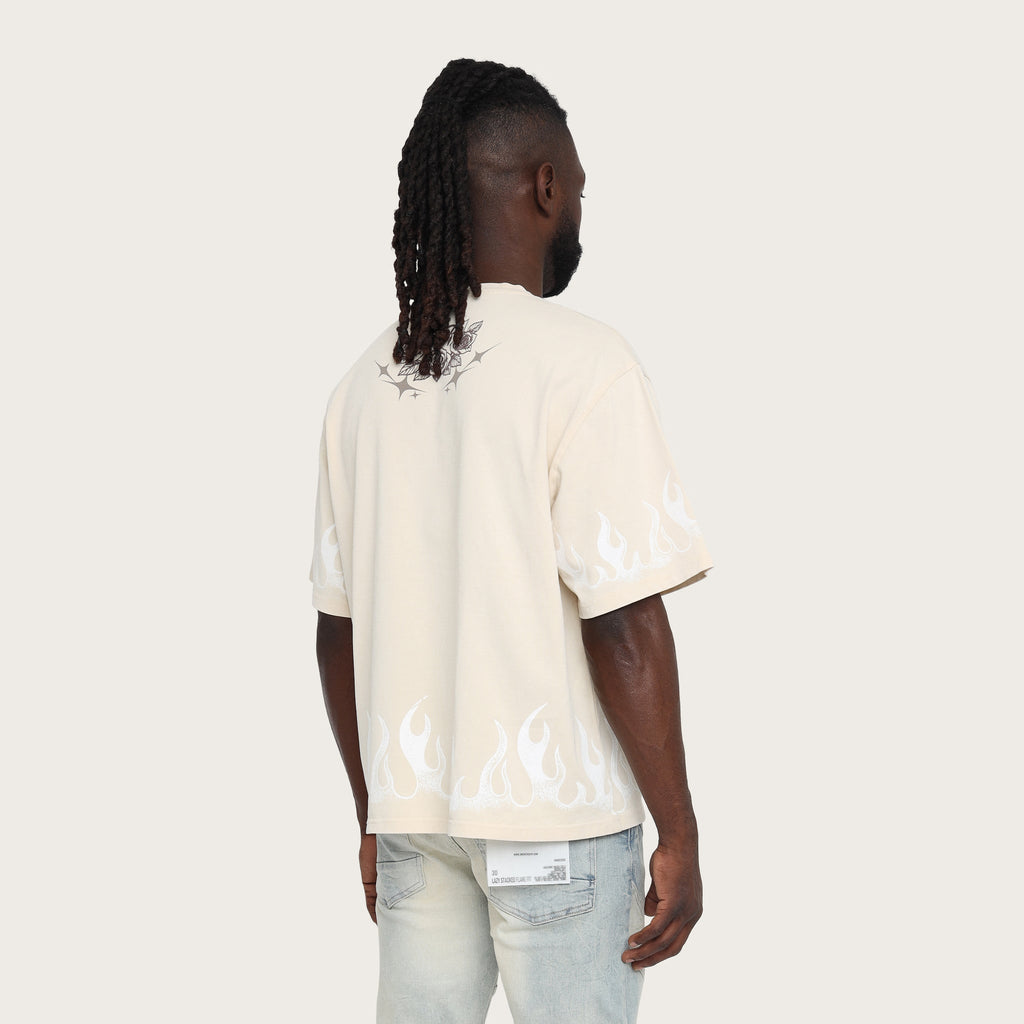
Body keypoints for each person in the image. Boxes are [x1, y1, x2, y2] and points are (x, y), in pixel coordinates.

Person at [311, 58, 713, 1024]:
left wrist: (374, 810)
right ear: (545, 186)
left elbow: (336, 631)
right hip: (555, 822)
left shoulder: (364, 386)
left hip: (415, 824)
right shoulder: (584, 364)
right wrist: (680, 832)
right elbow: (623, 621)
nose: (577, 210)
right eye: (578, 190)